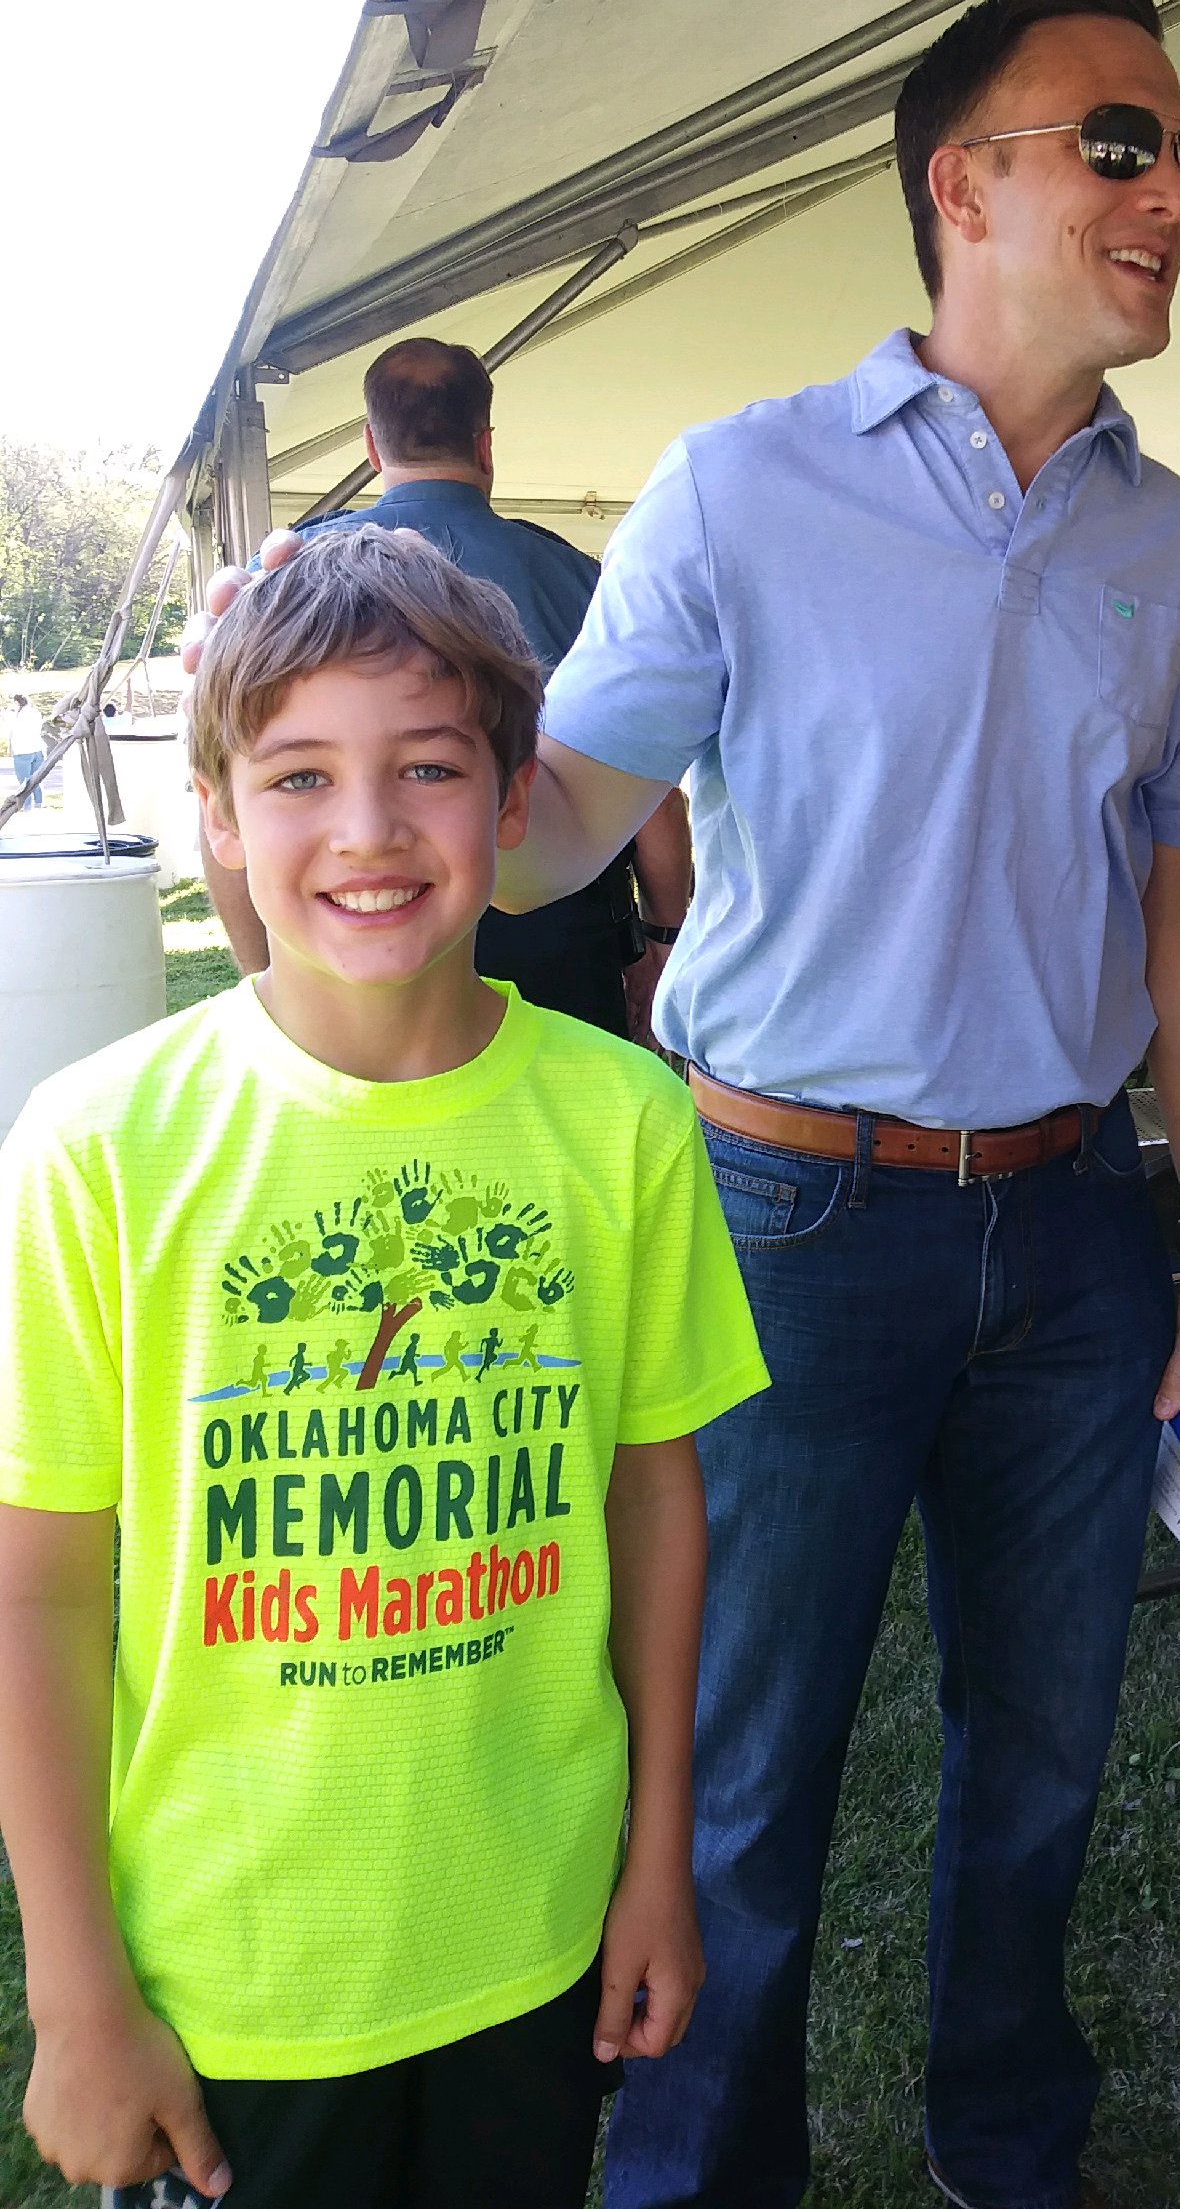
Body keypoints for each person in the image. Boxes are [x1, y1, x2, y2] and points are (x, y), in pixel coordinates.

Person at [484, 0, 1180, 2209]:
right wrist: (361, 753)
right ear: (966, 184)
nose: (1174, 189)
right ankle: (700, 2179)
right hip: (781, 1223)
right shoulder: (741, 484)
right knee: (741, 1777)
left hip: (1077, 1222)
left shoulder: (1179, 543)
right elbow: (555, 825)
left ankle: (1006, 2145)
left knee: (1046, 1755)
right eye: (1122, 142)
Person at [0, 528, 766, 2206]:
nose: (366, 829)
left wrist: (658, 1857)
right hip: (236, 1971)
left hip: (536, 1930)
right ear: (217, 816)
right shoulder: (96, 1149)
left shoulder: (628, 1120)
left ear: (512, 801)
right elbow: (39, 1589)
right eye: (297, 776)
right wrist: (74, 1994)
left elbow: (654, 1501)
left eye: (427, 765)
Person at [200, 338, 693, 1043]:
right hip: (563, 935)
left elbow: (226, 791)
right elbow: (653, 798)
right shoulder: (586, 582)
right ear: (485, 444)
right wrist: (663, 938)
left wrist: (264, 983)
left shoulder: (287, 576)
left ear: (372, 445)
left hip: (346, 933)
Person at [9, 692, 44, 807]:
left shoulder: (16, 715)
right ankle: (39, 803)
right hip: (37, 748)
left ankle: (27, 805)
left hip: (22, 750)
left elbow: (12, 732)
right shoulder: (35, 712)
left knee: (24, 781)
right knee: (36, 779)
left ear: (16, 702)